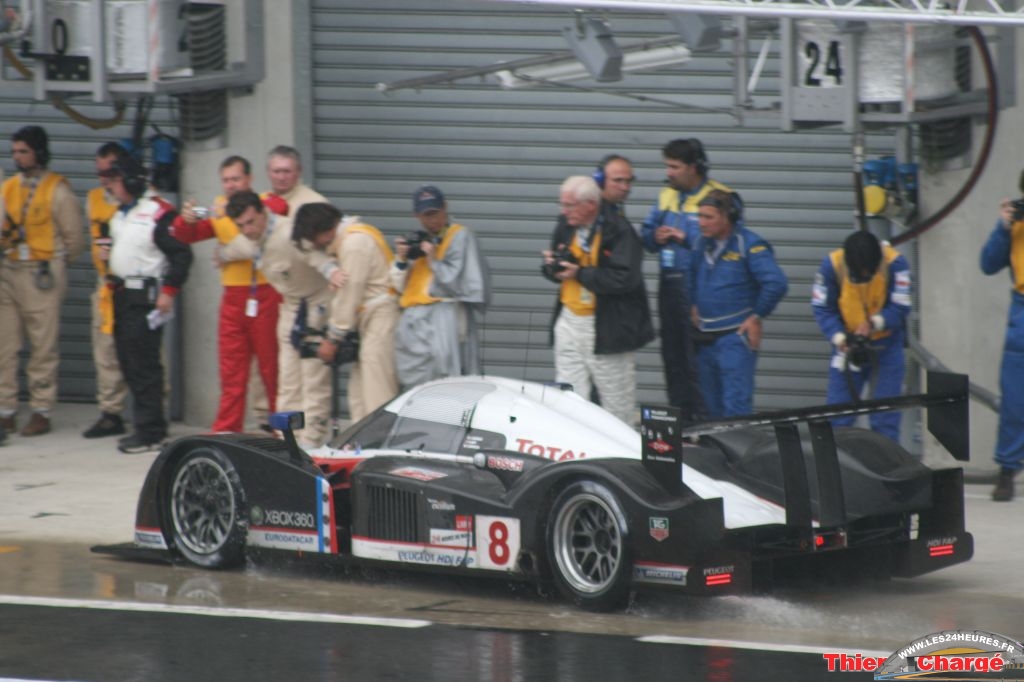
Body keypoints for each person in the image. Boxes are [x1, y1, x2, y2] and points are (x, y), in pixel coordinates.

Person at [172, 156, 287, 433]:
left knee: (273, 369)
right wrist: (185, 219)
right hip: (234, 299)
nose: (231, 185)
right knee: (231, 370)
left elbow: (281, 206)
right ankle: (227, 428)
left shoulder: (262, 202)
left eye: (236, 179)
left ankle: (281, 427)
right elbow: (185, 235)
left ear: (248, 179)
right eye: (225, 180)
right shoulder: (219, 214)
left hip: (268, 294)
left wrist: (223, 216)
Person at [225, 191, 333, 448]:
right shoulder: (252, 238)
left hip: (317, 304)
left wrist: (333, 271)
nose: (247, 229)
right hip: (291, 308)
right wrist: (222, 254)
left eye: (251, 222)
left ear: (263, 213)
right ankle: (288, 440)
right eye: (241, 225)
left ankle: (312, 443)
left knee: (314, 380)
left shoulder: (287, 232)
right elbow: (239, 247)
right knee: (287, 380)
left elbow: (313, 255)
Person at [542, 175, 653, 425]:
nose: (564, 211)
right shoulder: (566, 224)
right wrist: (551, 267)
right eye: (563, 205)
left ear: (590, 204)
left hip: (606, 326)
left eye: (569, 205)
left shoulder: (620, 230)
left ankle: (622, 459)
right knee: (568, 397)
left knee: (617, 402)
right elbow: (559, 267)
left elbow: (624, 279)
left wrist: (579, 273)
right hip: (568, 320)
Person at [102, 155, 192, 452]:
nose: (110, 186)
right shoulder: (118, 216)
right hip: (121, 295)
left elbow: (181, 254)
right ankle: (146, 426)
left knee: (144, 364)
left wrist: (169, 291)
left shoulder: (158, 212)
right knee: (127, 360)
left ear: (130, 181)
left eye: (115, 180)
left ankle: (151, 431)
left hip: (146, 297)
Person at [0, 125, 85, 436]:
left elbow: (75, 239)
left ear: (39, 152)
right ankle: (5, 409)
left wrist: (56, 265)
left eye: (24, 151)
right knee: (5, 345)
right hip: (9, 271)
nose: (18, 157)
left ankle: (41, 409)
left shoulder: (57, 191)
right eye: (14, 151)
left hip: (41, 275)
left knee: (43, 347)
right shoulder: (7, 188)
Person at [640, 138, 733, 424]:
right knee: (673, 359)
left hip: (700, 289)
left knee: (698, 362)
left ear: (693, 167)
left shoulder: (720, 197)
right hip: (668, 284)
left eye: (674, 166)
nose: (669, 172)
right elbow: (646, 235)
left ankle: (704, 426)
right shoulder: (666, 195)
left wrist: (686, 238)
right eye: (667, 166)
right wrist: (654, 237)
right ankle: (680, 424)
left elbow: (727, 244)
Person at [292, 202, 400, 421]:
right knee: (358, 395)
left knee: (377, 392)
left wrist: (332, 339)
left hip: (380, 318)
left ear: (325, 231)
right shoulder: (351, 238)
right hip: (368, 319)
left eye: (314, 239)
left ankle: (381, 449)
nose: (315, 245)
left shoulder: (354, 244)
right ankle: (360, 447)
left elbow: (349, 296)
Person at [690, 189, 788, 418]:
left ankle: (739, 454)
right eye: (700, 216)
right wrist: (694, 303)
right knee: (710, 409)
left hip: (734, 338)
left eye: (708, 217)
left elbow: (776, 283)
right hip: (704, 339)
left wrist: (756, 317)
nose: (701, 222)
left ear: (728, 217)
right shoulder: (700, 244)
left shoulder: (750, 244)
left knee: (735, 409)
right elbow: (692, 274)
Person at [811, 230, 911, 440]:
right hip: (847, 348)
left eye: (868, 274)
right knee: (838, 417)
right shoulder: (832, 265)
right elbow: (822, 308)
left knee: (885, 419)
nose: (863, 278)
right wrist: (839, 337)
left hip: (887, 348)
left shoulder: (896, 264)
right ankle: (838, 469)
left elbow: (901, 307)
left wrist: (875, 323)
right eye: (859, 275)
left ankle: (888, 470)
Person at [390, 185, 490, 388]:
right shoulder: (419, 241)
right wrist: (402, 259)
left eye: (435, 213)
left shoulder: (460, 235)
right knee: (415, 388)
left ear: (445, 207)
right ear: (417, 215)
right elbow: (397, 286)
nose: (431, 220)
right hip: (414, 321)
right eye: (425, 215)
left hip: (444, 316)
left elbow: (459, 281)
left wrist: (433, 258)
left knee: (446, 379)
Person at [81, 143, 131, 438]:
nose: (103, 178)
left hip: (132, 284)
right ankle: (111, 413)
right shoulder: (93, 199)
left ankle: (153, 412)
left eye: (109, 171)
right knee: (104, 351)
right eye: (99, 172)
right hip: (105, 287)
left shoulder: (136, 196)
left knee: (142, 352)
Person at [981, 196, 1024, 501]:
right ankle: (1007, 471)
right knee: (1014, 400)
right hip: (1022, 314)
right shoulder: (1014, 226)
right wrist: (1002, 226)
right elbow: (987, 264)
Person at [265, 145, 326, 219]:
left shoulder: (316, 204)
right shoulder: (261, 202)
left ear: (299, 171)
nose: (281, 177)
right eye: (276, 171)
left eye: (287, 171)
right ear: (268, 172)